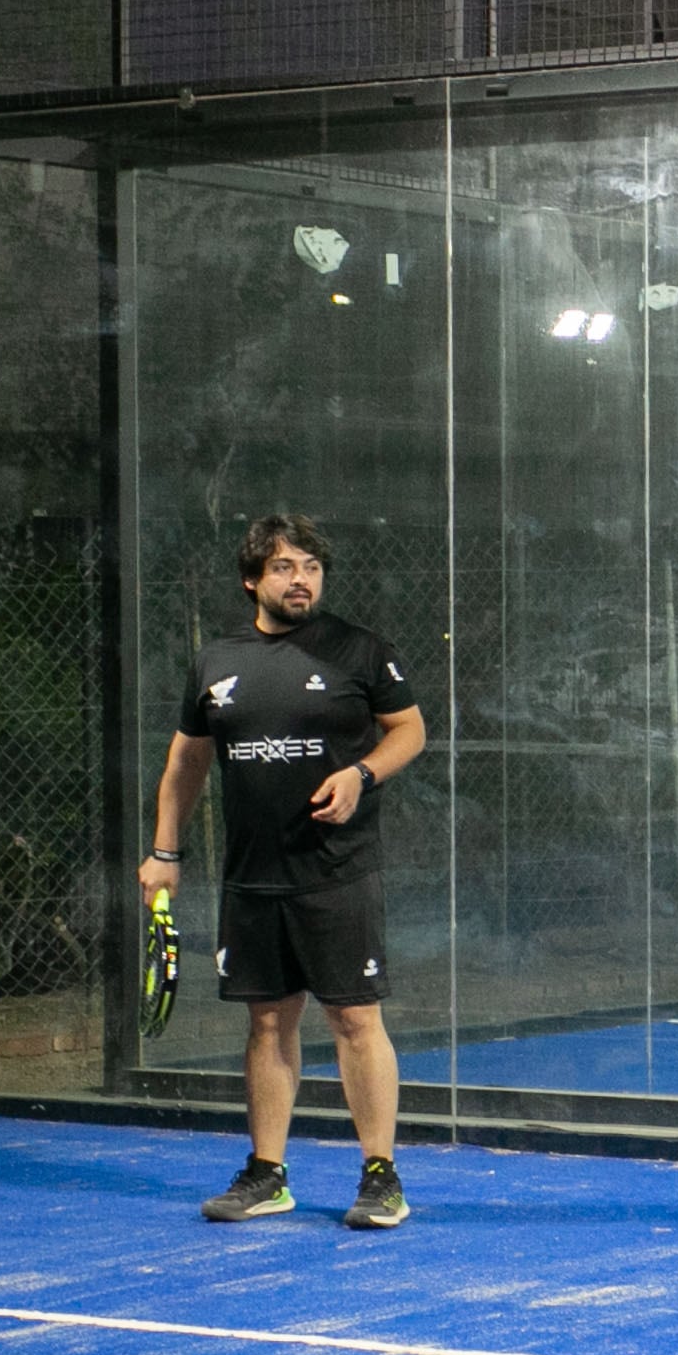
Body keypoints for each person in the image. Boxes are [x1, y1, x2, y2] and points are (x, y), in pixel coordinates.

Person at [139, 514, 428, 1230]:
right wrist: (165, 853)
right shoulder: (215, 663)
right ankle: (267, 1173)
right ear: (252, 580)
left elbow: (411, 731)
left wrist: (362, 774)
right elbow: (185, 762)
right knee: (268, 1020)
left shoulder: (358, 651)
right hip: (252, 875)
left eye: (311, 568)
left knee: (355, 1018)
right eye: (285, 568)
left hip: (338, 870)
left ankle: (380, 1175)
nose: (302, 580)